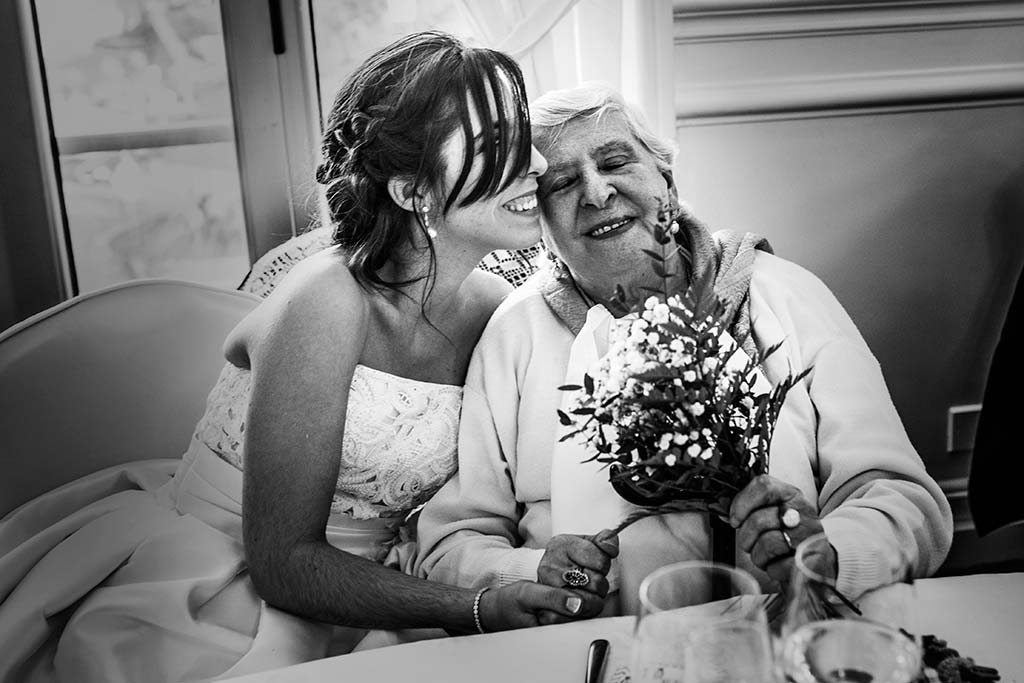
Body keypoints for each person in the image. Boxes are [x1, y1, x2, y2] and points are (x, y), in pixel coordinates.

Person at [0, 32, 605, 683]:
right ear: (413, 192)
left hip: (379, 587)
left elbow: (500, 486)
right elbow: (283, 563)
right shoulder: (328, 299)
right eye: (496, 149)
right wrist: (477, 607)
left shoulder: (495, 307)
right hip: (220, 584)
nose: (537, 165)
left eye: (525, 139)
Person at [414, 83, 954, 613]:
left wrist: (828, 552)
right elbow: (452, 544)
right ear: (542, 224)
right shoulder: (515, 335)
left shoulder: (783, 294)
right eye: (560, 183)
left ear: (666, 182)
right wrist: (535, 574)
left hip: (783, 631)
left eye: (616, 162)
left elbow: (906, 502)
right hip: (589, 648)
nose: (597, 192)